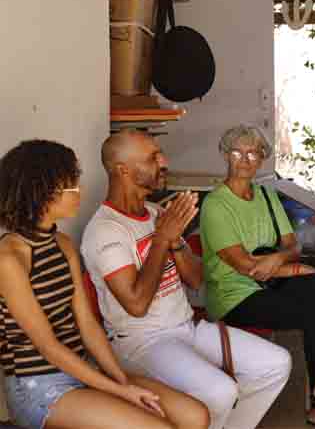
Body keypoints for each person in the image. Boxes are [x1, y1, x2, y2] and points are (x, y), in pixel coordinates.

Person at [81, 130, 291, 429]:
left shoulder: (157, 213)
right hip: (142, 343)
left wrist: (176, 241)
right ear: (123, 170)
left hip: (187, 328)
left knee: (275, 364)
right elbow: (137, 304)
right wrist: (161, 239)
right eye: (152, 157)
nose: (164, 161)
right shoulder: (105, 230)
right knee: (220, 391)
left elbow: (194, 280)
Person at [0, 139, 210, 429]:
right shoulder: (9, 259)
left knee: (195, 416)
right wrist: (121, 391)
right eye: (71, 185)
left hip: (82, 369)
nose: (80, 192)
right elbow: (48, 347)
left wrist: (122, 380)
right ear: (42, 192)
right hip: (39, 387)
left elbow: (87, 324)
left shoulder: (61, 244)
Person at [199, 125, 315, 429]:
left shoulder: (265, 195)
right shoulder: (215, 206)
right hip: (235, 296)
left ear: (262, 158)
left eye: (252, 152)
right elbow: (247, 267)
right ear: (225, 155)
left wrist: (279, 258)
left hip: (270, 282)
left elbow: (292, 245)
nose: (244, 159)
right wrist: (296, 267)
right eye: (237, 152)